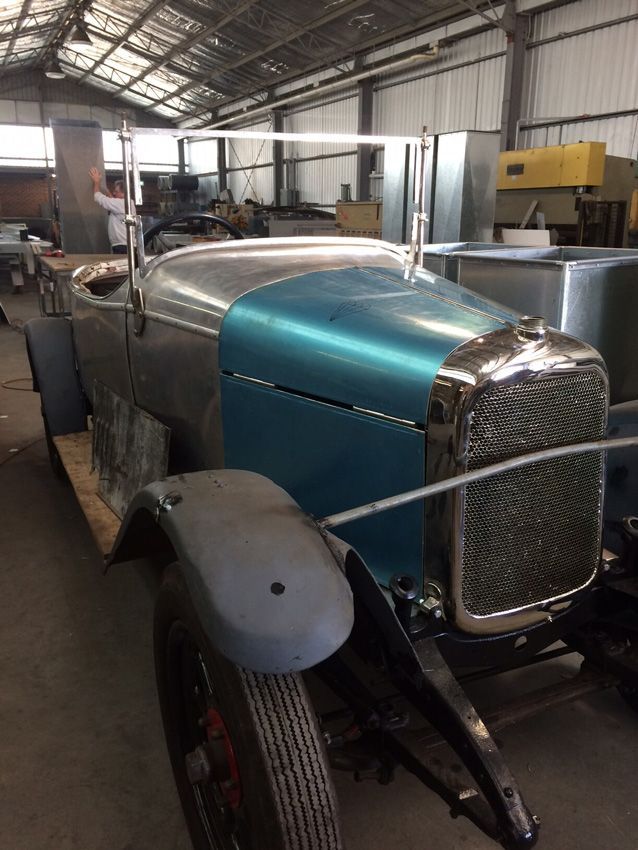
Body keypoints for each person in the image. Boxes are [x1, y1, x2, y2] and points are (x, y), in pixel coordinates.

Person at [89, 167, 135, 254]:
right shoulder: (127, 204)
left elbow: (98, 197)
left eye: (116, 191)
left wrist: (96, 182)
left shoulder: (122, 204)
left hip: (123, 247)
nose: (114, 193)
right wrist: (107, 192)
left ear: (124, 193)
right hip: (125, 245)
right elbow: (113, 203)